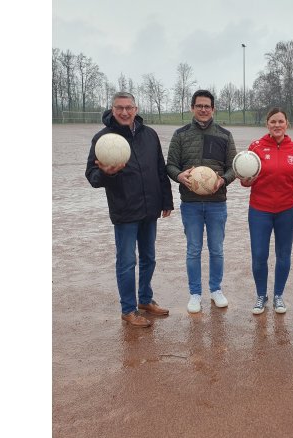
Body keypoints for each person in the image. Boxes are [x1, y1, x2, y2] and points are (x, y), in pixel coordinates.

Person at [85, 92, 174, 328]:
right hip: (124, 210)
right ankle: (128, 309)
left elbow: (159, 169)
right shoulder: (103, 139)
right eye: (119, 108)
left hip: (150, 208)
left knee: (149, 258)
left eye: (129, 107)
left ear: (136, 109)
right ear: (112, 110)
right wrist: (107, 173)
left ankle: (145, 300)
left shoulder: (149, 135)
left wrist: (167, 200)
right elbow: (92, 177)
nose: (124, 112)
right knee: (126, 262)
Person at [166, 90, 237, 314]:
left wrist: (222, 180)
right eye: (199, 106)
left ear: (213, 109)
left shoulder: (225, 135)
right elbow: (170, 165)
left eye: (207, 106)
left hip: (217, 202)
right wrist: (179, 176)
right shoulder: (180, 135)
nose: (203, 109)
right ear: (192, 108)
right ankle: (195, 293)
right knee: (193, 250)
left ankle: (216, 290)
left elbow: (233, 168)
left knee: (216, 250)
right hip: (191, 203)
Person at [238, 108, 293, 315]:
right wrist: (245, 180)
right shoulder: (256, 147)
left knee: (283, 254)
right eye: (273, 122)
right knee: (259, 255)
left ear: (287, 124)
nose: (277, 125)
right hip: (260, 210)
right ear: (267, 124)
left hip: (287, 210)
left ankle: (278, 295)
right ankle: (261, 295)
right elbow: (245, 178)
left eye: (281, 121)